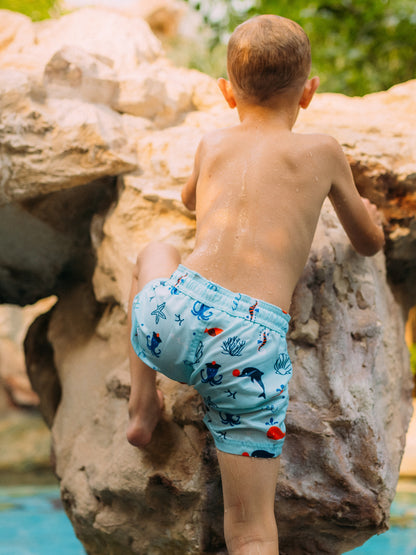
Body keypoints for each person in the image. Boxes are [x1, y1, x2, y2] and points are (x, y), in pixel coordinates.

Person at [126, 14, 385, 554]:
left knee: (155, 252)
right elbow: (367, 242)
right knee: (248, 528)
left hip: (168, 320)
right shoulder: (323, 150)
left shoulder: (213, 141)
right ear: (309, 92)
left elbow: (188, 200)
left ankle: (142, 404)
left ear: (226, 92)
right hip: (246, 344)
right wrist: (369, 214)